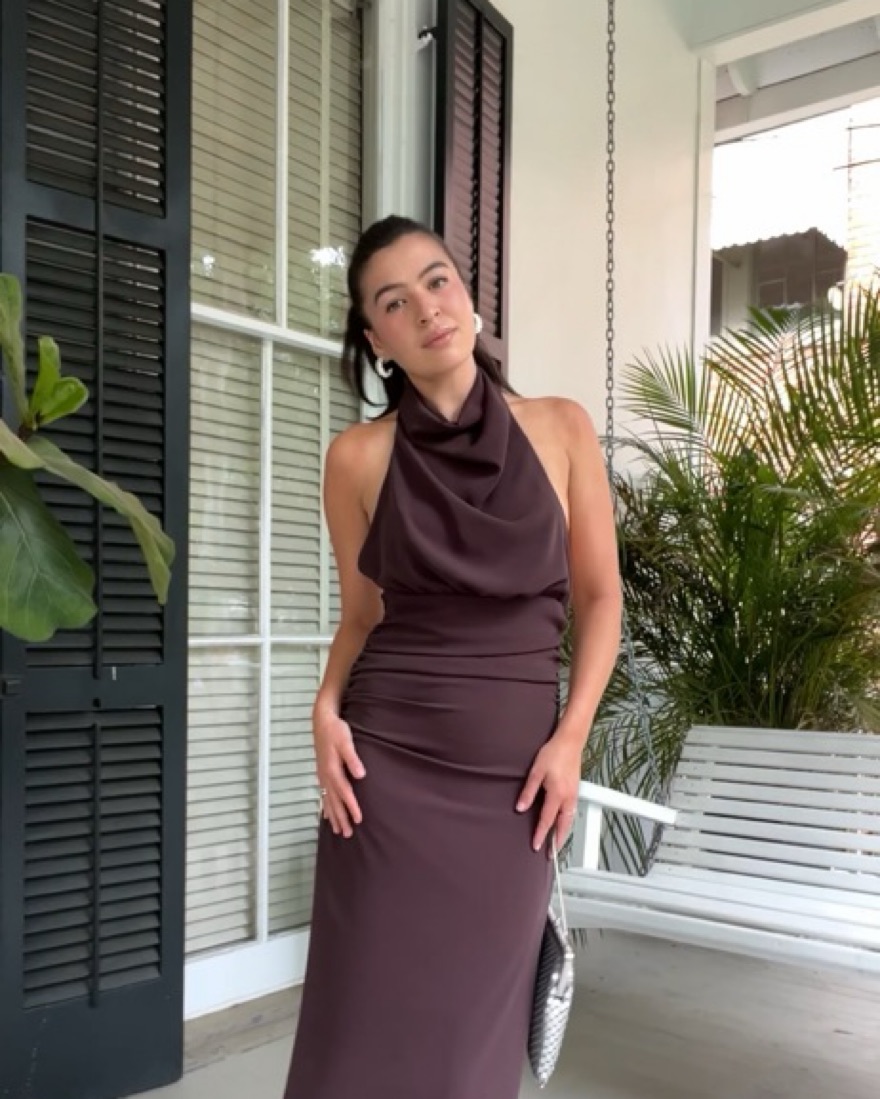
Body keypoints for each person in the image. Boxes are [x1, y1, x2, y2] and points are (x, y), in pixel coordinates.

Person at [282, 215, 622, 1099]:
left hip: (516, 787)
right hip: (384, 776)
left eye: (438, 281)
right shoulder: (355, 457)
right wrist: (324, 708)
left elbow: (600, 600)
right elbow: (362, 618)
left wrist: (571, 739)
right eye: (395, 302)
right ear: (377, 340)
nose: (427, 308)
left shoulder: (562, 428)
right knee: (360, 1025)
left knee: (473, 1036)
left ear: (467, 296)